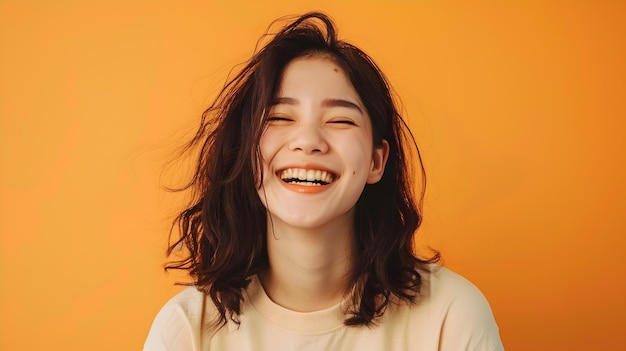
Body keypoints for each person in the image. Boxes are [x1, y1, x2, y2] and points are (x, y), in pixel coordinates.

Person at [144, 12, 504, 351]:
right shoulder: (187, 329)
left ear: (377, 161)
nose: (308, 140)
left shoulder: (451, 315)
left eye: (340, 121)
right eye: (280, 117)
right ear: (245, 151)